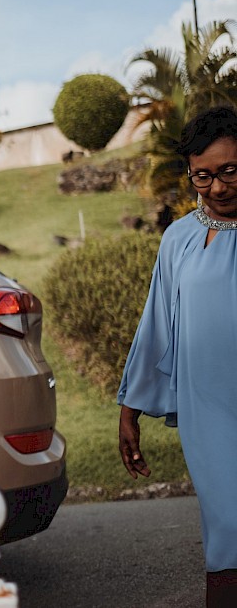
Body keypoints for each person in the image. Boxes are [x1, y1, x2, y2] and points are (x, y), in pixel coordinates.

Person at [118, 105, 237, 607]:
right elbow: (156, 327)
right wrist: (129, 411)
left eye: (230, 170)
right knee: (227, 524)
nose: (218, 187)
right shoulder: (179, 239)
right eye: (202, 176)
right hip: (208, 408)